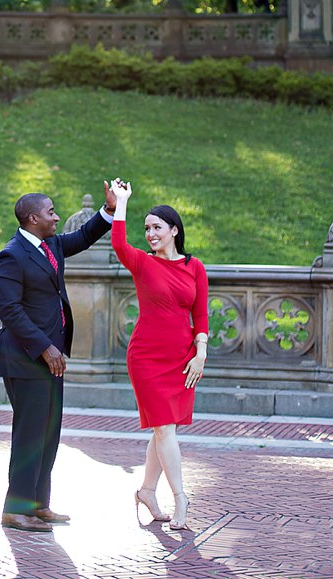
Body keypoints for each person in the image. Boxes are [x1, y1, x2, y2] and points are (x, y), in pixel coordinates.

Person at [0, 190, 115, 531]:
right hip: (25, 358)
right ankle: (15, 509)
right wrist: (46, 347)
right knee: (29, 434)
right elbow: (11, 311)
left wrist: (109, 209)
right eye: (51, 212)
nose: (57, 217)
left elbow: (85, 236)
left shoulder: (52, 246)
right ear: (34, 218)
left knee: (47, 433)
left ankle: (38, 504)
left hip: (51, 359)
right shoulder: (10, 257)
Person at [107, 178, 208, 531]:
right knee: (165, 428)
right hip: (146, 358)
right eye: (147, 228)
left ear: (174, 230)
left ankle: (147, 491)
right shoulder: (142, 263)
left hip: (182, 358)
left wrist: (201, 352)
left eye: (157, 228)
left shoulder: (194, 267)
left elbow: (201, 314)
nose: (150, 234)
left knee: (163, 429)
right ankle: (181, 498)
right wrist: (122, 201)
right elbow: (118, 242)